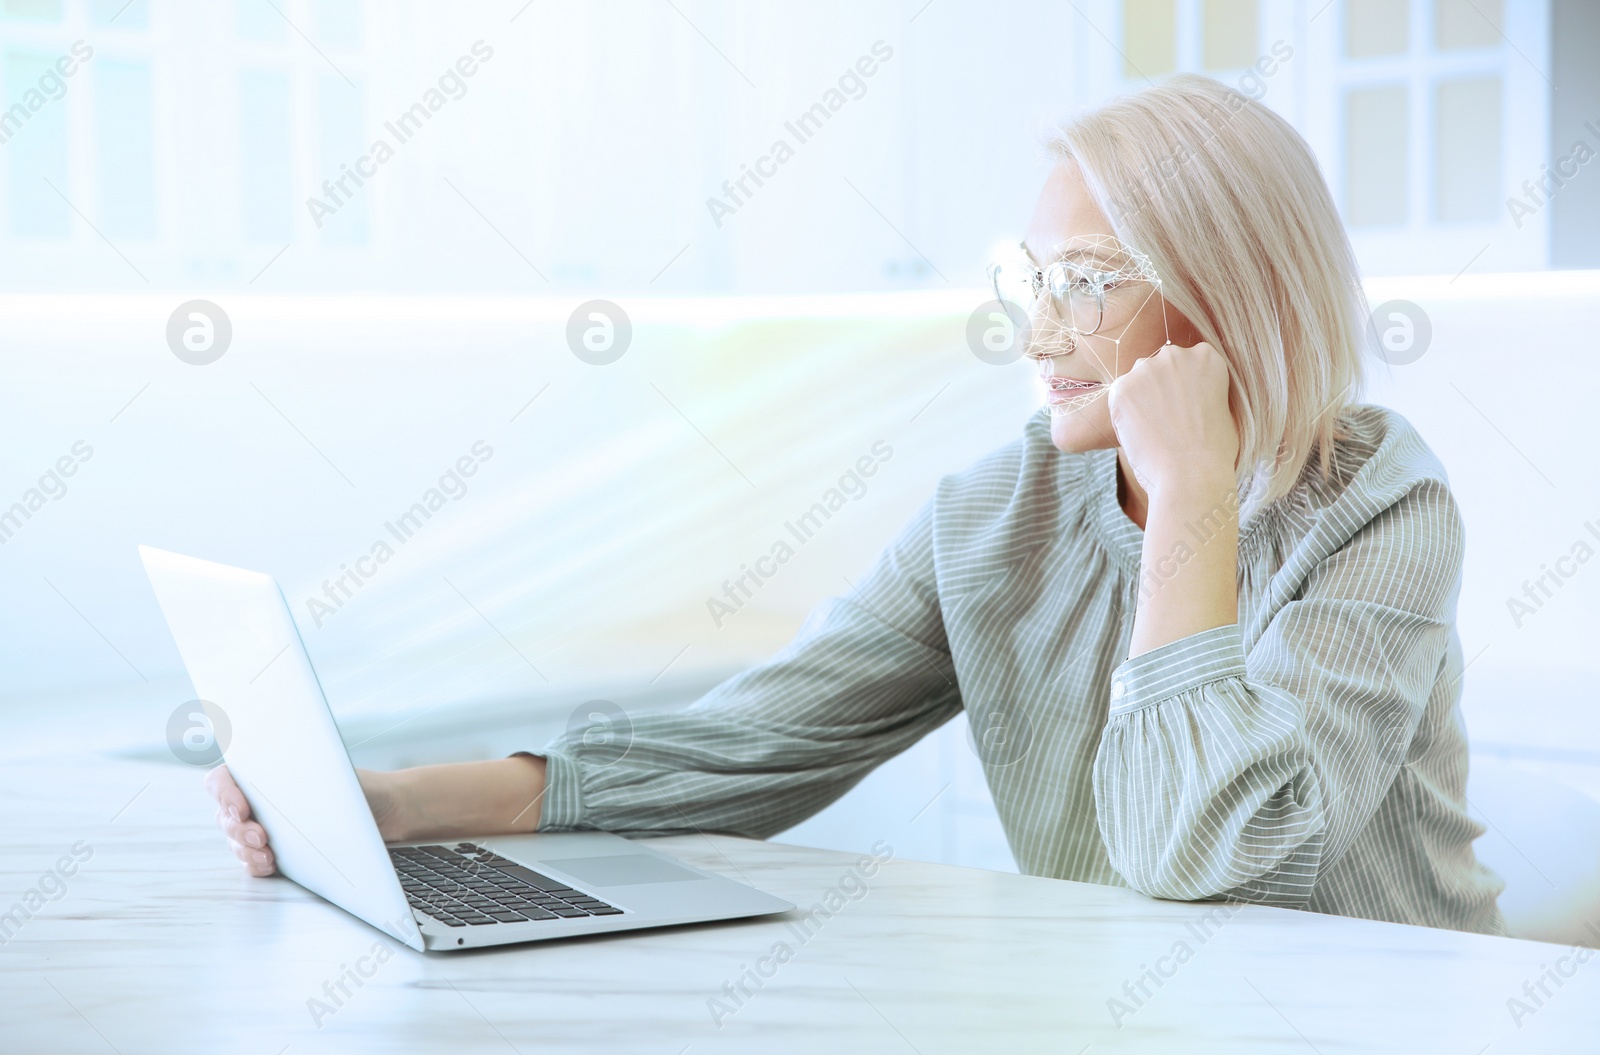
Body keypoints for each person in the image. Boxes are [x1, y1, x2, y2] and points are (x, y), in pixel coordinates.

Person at [208, 73, 1505, 934]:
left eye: (1092, 282)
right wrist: (394, 804)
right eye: (1032, 276)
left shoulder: (1379, 511)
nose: (1038, 327)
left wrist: (1191, 493)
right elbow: (758, 742)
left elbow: (1211, 856)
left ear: (1226, 297)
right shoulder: (997, 513)